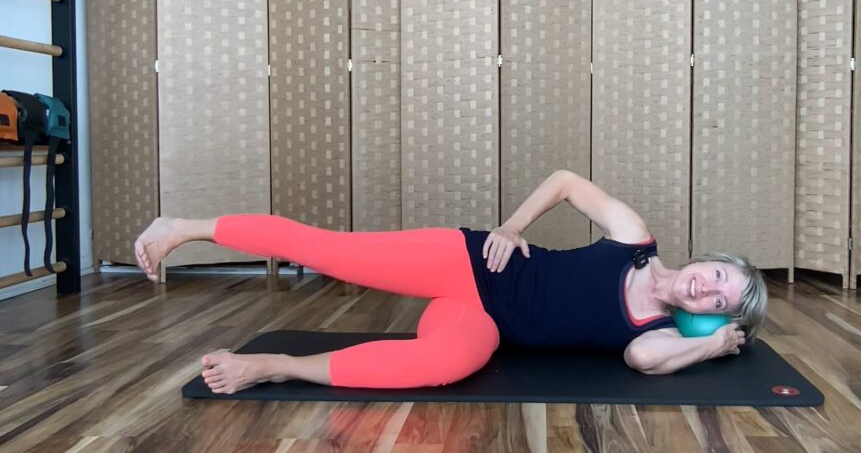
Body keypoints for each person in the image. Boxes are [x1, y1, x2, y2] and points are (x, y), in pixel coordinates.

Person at [134, 169, 767, 394]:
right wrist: (512, 226)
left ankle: (274, 367)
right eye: (715, 277)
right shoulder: (635, 237)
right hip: (467, 262)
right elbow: (568, 181)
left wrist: (711, 344)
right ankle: (186, 225)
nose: (703, 290)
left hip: (484, 324)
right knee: (329, 252)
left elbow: (643, 359)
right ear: (705, 259)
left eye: (718, 301)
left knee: (445, 364)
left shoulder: (657, 331)